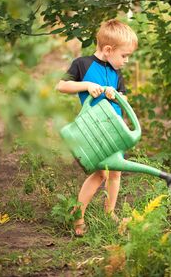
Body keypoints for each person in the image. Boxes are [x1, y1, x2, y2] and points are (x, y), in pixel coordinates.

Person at [56, 19, 138, 236]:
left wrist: (116, 95)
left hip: (115, 130)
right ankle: (78, 215)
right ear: (108, 49)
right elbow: (62, 86)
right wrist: (88, 85)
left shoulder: (116, 73)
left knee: (116, 173)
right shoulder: (82, 64)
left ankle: (109, 212)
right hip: (95, 130)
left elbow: (124, 99)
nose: (126, 61)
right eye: (124, 55)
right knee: (101, 174)